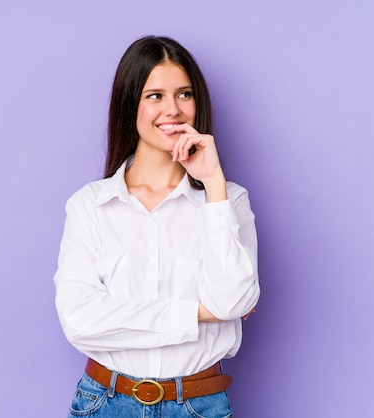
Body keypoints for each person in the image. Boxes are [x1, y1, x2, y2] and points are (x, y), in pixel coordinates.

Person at [53, 35, 260, 418]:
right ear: (130, 103)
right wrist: (197, 312)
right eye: (155, 96)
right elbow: (79, 320)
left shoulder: (228, 200)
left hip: (199, 404)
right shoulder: (90, 206)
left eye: (184, 94)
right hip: (105, 403)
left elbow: (232, 301)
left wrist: (213, 181)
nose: (173, 109)